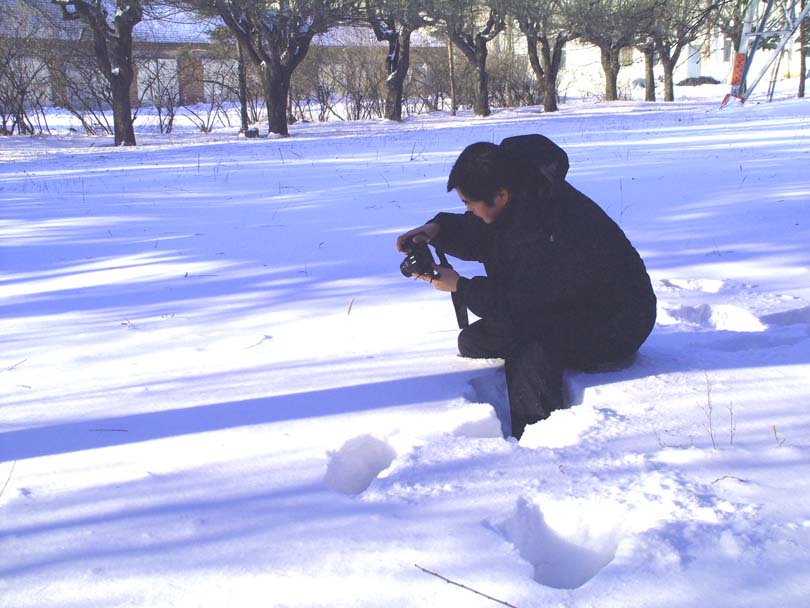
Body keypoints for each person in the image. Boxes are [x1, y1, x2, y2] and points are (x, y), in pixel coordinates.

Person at [396, 135, 657, 439]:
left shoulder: (547, 229)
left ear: (501, 195)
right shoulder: (523, 190)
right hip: (570, 301)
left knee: (528, 343)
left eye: (469, 203)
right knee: (473, 341)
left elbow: (523, 306)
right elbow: (487, 232)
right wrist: (436, 230)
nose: (467, 210)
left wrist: (460, 287)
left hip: (616, 323)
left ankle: (536, 434)